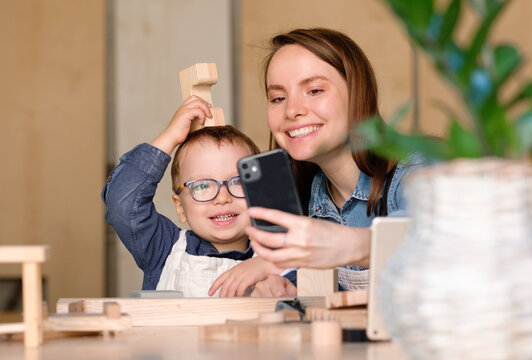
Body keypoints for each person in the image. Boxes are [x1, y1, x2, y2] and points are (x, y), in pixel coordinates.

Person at [243, 28, 425, 296]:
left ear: (358, 94)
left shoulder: (415, 171)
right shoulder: (306, 199)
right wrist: (284, 283)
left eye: (314, 90)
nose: (292, 110)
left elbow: (437, 234)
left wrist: (349, 244)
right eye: (278, 98)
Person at [102, 96, 282, 297]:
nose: (222, 198)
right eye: (203, 185)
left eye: (238, 182)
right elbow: (122, 203)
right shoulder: (164, 248)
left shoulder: (280, 261)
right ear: (180, 208)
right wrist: (170, 136)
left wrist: (272, 269)